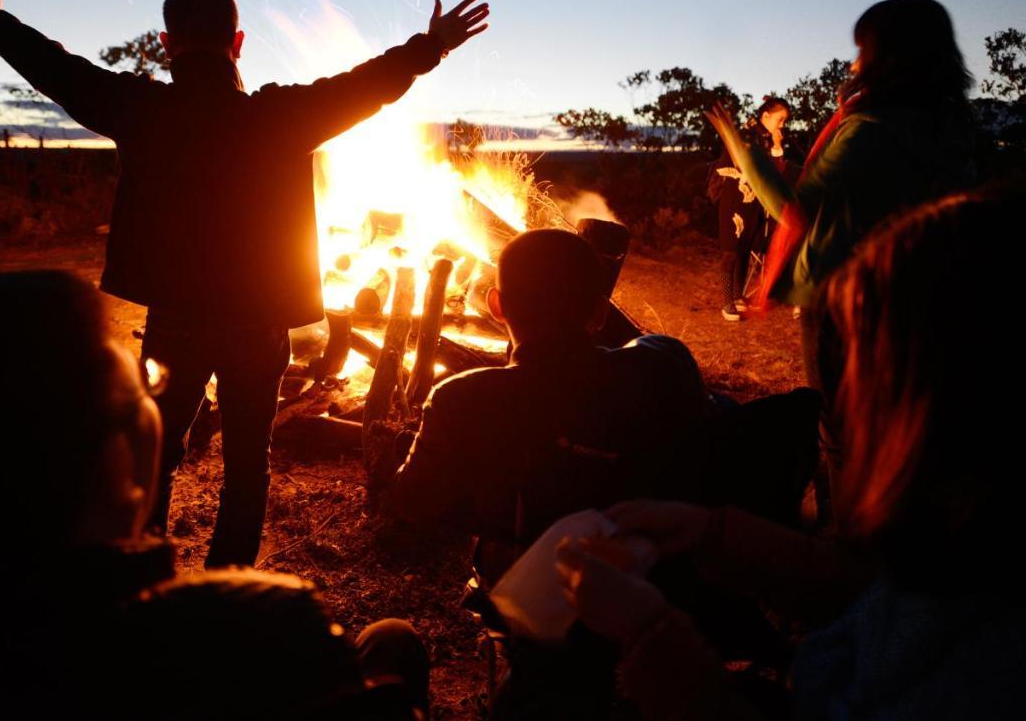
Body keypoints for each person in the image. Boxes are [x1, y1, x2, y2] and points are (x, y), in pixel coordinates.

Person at [0, 0, 490, 567]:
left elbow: (59, 71)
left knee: (156, 450)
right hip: (258, 322)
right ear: (239, 43)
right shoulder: (278, 116)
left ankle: (143, 580)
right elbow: (364, 85)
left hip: (177, 318)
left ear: (167, 45)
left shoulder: (140, 108)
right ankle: (228, 584)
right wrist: (430, 46)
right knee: (248, 465)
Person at [0, 271, 429, 720]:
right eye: (143, 391)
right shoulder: (262, 630)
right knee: (394, 640)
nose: (155, 400)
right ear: (117, 455)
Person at [554, 187, 1026, 720]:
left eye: (870, 373)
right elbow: (885, 601)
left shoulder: (991, 675)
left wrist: (652, 639)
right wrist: (712, 533)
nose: (851, 402)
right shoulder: (973, 551)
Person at [706, 0, 975, 486]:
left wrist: (742, 153)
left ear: (888, 57)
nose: (853, 63)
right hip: (914, 288)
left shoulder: (869, 127)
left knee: (835, 423)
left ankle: (844, 536)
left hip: (841, 291)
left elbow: (796, 207)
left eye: (862, 51)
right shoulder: (951, 125)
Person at [388, 228, 711, 580]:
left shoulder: (459, 398)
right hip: (646, 584)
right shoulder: (660, 369)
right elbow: (658, 351)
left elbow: (412, 503)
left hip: (526, 599)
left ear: (496, 306)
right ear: (600, 312)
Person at [707, 96, 792, 321]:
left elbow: (776, 173)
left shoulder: (767, 140)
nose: (782, 125)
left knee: (745, 249)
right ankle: (727, 302)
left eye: (784, 121)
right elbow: (742, 164)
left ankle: (737, 296)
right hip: (734, 199)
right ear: (766, 116)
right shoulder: (745, 136)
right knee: (731, 250)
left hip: (754, 201)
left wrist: (776, 145)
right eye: (780, 119)